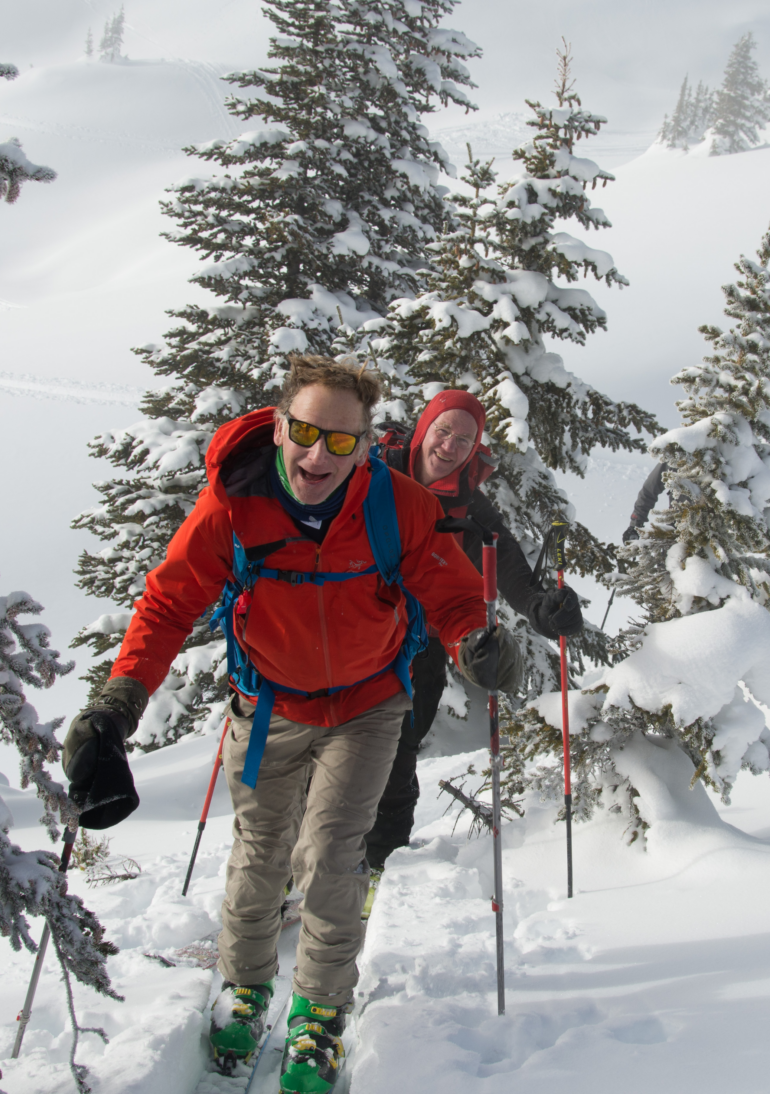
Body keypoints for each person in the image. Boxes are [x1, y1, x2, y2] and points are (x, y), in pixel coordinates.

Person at [59, 356, 522, 1093]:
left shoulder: (395, 505)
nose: (318, 454)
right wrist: (119, 702)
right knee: (260, 850)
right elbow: (169, 602)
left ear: (366, 445)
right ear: (279, 425)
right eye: (305, 432)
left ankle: (318, 1010)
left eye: (341, 441)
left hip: (368, 707)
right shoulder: (233, 506)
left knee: (335, 852)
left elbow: (448, 586)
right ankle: (245, 986)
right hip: (269, 703)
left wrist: (477, 642)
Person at [363, 390, 585, 872]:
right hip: (355, 634)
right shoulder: (372, 472)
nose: (450, 445)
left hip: (420, 646)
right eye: (443, 430)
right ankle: (299, 870)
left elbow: (503, 558)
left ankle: (375, 869)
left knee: (397, 763)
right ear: (424, 429)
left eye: (465, 438)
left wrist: (538, 607)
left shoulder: (470, 503)